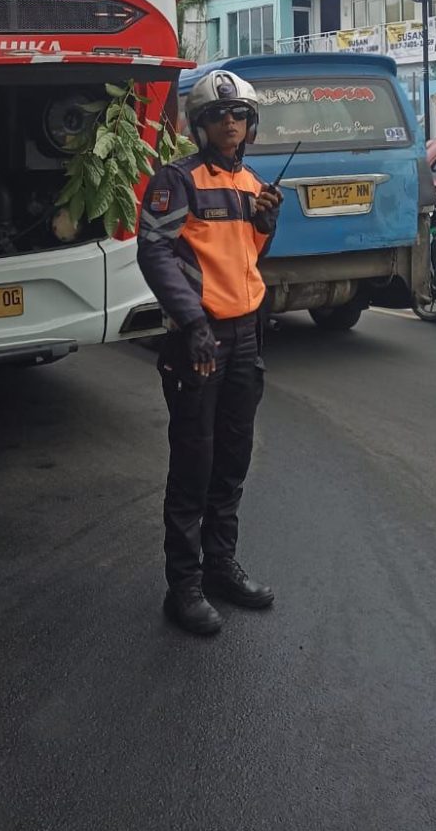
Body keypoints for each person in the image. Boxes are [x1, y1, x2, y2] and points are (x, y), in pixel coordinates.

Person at [138, 70, 281, 636]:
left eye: (239, 116)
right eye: (219, 116)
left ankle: (221, 567)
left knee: (233, 459)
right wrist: (192, 321)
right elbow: (156, 252)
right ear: (199, 126)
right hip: (200, 338)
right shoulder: (178, 180)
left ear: (250, 125)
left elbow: (247, 257)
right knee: (193, 463)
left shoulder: (252, 182)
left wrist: (268, 222)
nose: (230, 123)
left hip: (246, 334)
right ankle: (184, 586)